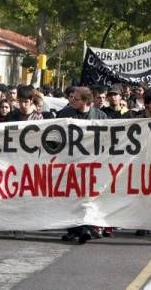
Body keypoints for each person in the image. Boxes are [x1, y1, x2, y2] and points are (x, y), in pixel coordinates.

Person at [57, 86, 107, 243]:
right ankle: (74, 229)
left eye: (76, 99)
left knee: (88, 198)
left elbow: (108, 139)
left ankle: (85, 228)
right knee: (70, 197)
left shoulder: (101, 116)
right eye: (71, 98)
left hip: (92, 165)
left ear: (86, 101)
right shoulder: (64, 114)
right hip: (70, 164)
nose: (71, 101)